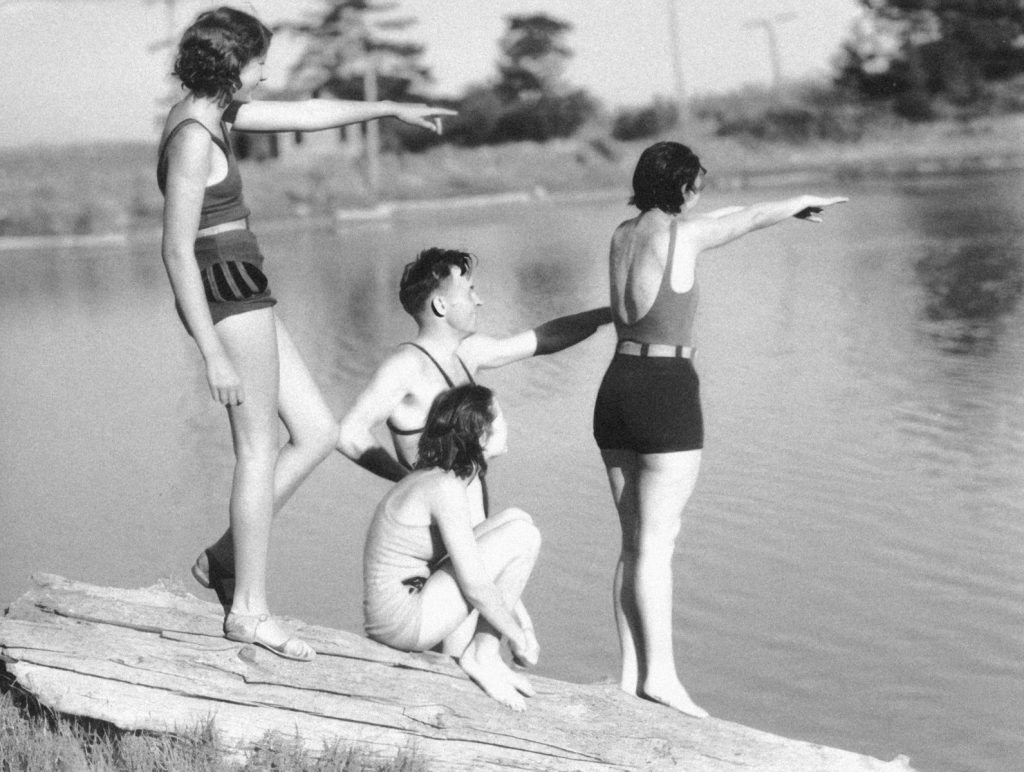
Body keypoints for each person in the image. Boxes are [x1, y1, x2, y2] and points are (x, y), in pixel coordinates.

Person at [159, 6, 455, 661]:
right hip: (229, 301)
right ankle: (249, 610)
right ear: (230, 64)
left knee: (317, 431)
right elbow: (178, 251)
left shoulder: (215, 116)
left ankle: (223, 558)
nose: (266, 76)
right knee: (257, 448)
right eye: (259, 63)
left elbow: (307, 112)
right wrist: (210, 351)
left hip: (248, 292)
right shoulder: (191, 138)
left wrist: (388, 110)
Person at [593, 141, 846, 716]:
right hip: (666, 389)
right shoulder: (682, 236)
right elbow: (746, 219)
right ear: (682, 187)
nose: (701, 195)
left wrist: (784, 208)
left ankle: (631, 674)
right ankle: (662, 678)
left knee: (633, 541)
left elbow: (728, 218)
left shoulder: (621, 234)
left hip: (616, 386)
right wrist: (800, 200)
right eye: (698, 183)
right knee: (659, 543)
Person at [363, 384, 541, 711]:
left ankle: (478, 657)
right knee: (524, 535)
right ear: (481, 436)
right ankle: (481, 655)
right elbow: (474, 584)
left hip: (405, 608)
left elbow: (481, 566)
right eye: (499, 417)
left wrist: (523, 624)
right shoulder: (445, 488)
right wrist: (517, 635)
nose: (507, 423)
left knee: (518, 519)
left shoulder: (440, 478)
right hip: (402, 622)